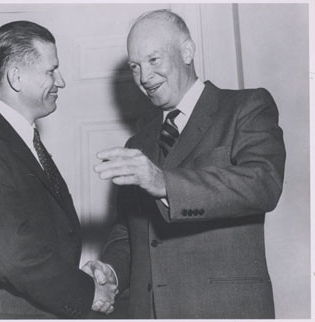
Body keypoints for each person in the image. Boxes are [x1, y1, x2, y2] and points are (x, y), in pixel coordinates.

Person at [83, 9, 286, 319]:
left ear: (187, 51)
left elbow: (262, 183)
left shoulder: (245, 107)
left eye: (153, 60)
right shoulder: (137, 145)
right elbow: (129, 231)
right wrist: (112, 272)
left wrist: (164, 183)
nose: (144, 78)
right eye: (135, 66)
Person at [0, 20, 117, 319]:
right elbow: (13, 257)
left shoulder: (20, 141)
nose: (61, 81)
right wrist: (86, 291)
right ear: (16, 77)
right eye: (51, 71)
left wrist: (81, 277)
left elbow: (41, 240)